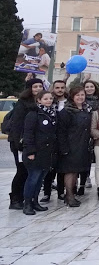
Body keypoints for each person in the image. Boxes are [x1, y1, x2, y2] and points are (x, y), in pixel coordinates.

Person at [8, 78, 44, 210]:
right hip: (21, 144)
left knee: (32, 172)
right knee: (22, 171)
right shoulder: (23, 104)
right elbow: (17, 126)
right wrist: (19, 146)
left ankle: (28, 198)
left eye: (40, 86)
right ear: (30, 88)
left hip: (34, 143)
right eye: (35, 86)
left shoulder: (41, 102)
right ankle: (15, 199)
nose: (38, 89)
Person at [22, 91, 57, 215]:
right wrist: (30, 151)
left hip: (46, 153)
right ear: (39, 100)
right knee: (33, 178)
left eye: (50, 98)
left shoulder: (52, 114)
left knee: (40, 179)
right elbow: (28, 134)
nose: (48, 101)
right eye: (45, 98)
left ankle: (35, 201)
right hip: (35, 152)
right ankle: (27, 203)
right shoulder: (34, 114)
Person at [58, 86, 93, 207]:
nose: (80, 97)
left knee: (76, 172)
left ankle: (71, 194)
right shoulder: (66, 111)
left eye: (82, 95)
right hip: (70, 146)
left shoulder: (86, 109)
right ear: (72, 97)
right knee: (70, 172)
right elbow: (61, 132)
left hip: (82, 146)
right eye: (77, 95)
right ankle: (69, 196)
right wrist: (64, 148)